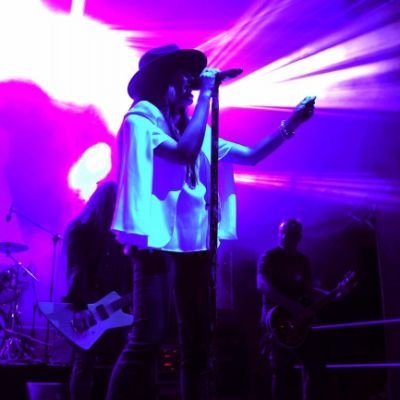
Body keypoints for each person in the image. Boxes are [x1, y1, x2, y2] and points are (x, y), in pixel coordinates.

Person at [107, 44, 316, 400]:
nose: (190, 86)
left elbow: (252, 156)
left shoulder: (198, 132)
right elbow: (182, 153)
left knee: (197, 344)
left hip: (195, 244)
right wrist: (206, 92)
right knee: (147, 338)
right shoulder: (141, 121)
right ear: (163, 83)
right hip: (157, 245)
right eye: (183, 79)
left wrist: (291, 124)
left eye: (192, 81)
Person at [63, 181, 132, 400]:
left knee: (117, 361)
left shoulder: (120, 236)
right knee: (84, 363)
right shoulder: (80, 231)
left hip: (116, 308)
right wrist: (83, 308)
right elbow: (77, 273)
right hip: (85, 309)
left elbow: (127, 275)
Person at [257, 219, 327, 400]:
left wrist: (329, 294)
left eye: (293, 234)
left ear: (299, 237)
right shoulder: (270, 256)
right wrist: (291, 305)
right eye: (285, 232)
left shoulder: (302, 261)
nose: (288, 237)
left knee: (315, 365)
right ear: (280, 234)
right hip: (275, 322)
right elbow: (262, 285)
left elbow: (308, 290)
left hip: (299, 323)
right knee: (281, 371)